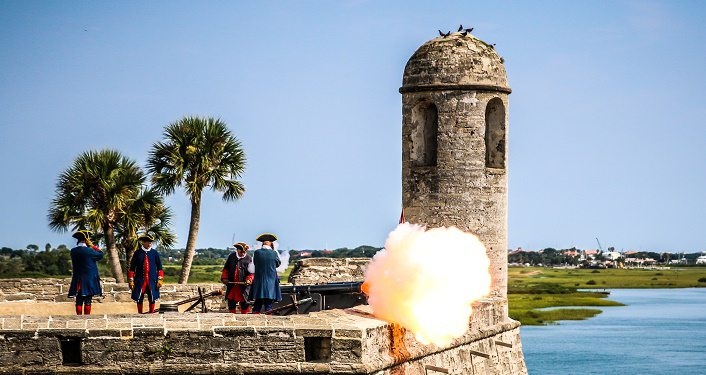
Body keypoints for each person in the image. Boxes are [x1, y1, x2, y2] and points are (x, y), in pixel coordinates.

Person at [67, 229, 104, 315]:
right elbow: (101, 254)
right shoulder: (90, 251)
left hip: (78, 278)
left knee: (79, 300)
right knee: (88, 300)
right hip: (89, 279)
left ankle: (78, 318)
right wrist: (92, 246)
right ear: (86, 240)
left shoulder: (73, 251)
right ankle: (86, 318)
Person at [127, 233, 164, 314]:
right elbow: (132, 268)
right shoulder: (137, 253)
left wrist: (160, 279)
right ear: (143, 242)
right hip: (140, 280)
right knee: (139, 298)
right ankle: (140, 313)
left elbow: (160, 267)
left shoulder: (154, 253)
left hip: (152, 280)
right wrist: (131, 280)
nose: (149, 244)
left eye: (151, 242)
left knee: (152, 298)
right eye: (148, 242)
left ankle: (151, 313)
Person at [250, 233, 282, 314]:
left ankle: (254, 317)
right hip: (271, 280)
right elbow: (278, 264)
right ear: (271, 243)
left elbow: (255, 263)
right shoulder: (274, 253)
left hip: (259, 279)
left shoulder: (257, 253)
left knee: (258, 302)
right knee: (268, 304)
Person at [220, 242, 254, 314]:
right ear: (237, 250)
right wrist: (225, 278)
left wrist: (249, 279)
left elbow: (251, 272)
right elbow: (226, 269)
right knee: (231, 303)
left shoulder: (249, 258)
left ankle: (244, 317)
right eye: (241, 252)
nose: (242, 253)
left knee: (245, 303)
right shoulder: (231, 257)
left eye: (244, 252)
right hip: (232, 286)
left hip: (243, 286)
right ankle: (232, 317)